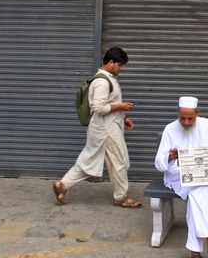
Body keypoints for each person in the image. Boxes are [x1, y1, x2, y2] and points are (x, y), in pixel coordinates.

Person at [52, 47, 142, 208]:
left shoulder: (107, 79)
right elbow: (99, 108)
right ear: (111, 62)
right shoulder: (102, 81)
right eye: (119, 65)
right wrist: (121, 106)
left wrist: (124, 117)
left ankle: (63, 185)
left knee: (89, 159)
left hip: (103, 128)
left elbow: (106, 105)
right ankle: (121, 197)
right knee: (119, 162)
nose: (120, 69)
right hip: (106, 130)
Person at [154, 96, 208, 258]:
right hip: (177, 176)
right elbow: (159, 163)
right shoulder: (170, 129)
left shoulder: (207, 125)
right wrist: (170, 156)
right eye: (183, 118)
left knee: (198, 190)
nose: (186, 122)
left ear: (197, 113)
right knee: (200, 190)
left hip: (203, 174)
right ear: (177, 113)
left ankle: (195, 252)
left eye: (190, 118)